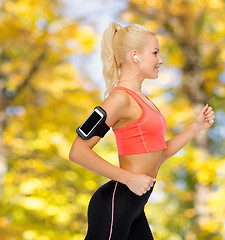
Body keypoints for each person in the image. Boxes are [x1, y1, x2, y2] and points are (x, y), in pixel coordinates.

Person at [69, 22, 215, 240]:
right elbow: (77, 151)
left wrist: (196, 127)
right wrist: (128, 178)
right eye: (155, 53)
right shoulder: (119, 99)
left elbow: (159, 154)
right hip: (114, 205)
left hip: (135, 207)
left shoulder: (145, 102)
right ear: (135, 55)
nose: (160, 60)